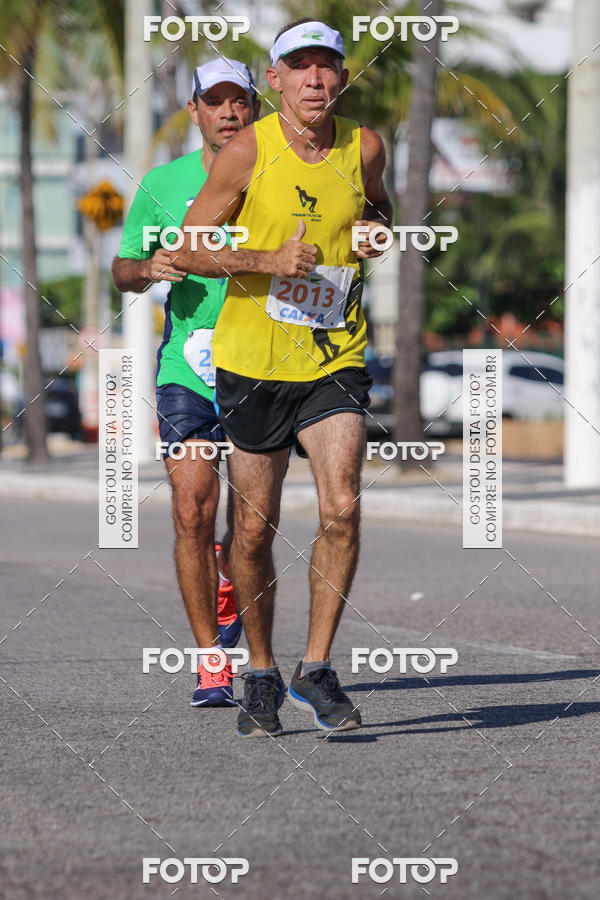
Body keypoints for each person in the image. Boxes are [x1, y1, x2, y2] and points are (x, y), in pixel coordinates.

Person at [172, 19, 392, 737]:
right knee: (254, 529)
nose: (315, 80)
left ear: (342, 77)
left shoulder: (365, 146)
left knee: (343, 507)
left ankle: (318, 667)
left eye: (327, 66)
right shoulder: (246, 150)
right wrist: (267, 261)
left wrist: (377, 229)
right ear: (276, 81)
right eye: (299, 67)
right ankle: (261, 667)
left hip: (334, 354)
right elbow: (192, 246)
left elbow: (377, 207)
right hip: (252, 361)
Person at [111, 59, 260, 708]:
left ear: (255, 108)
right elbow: (120, 268)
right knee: (190, 507)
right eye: (215, 101)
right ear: (195, 111)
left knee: (251, 526)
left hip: (261, 363)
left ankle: (231, 579)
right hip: (187, 367)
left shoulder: (277, 176)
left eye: (239, 101)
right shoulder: (164, 183)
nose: (228, 112)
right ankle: (210, 662)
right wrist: (148, 267)